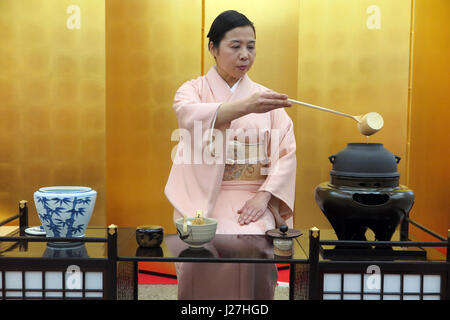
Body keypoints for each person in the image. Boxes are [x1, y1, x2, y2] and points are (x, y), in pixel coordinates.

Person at [165, 10, 296, 300]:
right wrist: (247, 106)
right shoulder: (193, 91)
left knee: (254, 241)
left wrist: (264, 196)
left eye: (251, 46)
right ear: (213, 48)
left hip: (255, 195)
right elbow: (188, 115)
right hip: (203, 198)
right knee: (207, 243)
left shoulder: (265, 98)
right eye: (235, 46)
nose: (244, 55)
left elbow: (287, 154)